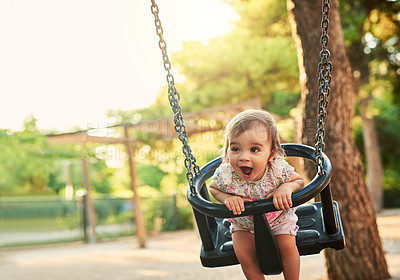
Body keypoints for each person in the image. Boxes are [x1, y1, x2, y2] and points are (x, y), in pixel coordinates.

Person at [209, 109, 304, 280]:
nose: (243, 157)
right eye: (236, 148)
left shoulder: (277, 168)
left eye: (254, 149)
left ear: (271, 153)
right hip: (243, 223)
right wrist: (228, 198)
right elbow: (213, 188)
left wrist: (286, 188)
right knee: (244, 255)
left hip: (278, 219)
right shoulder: (227, 174)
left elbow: (299, 181)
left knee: (287, 247)